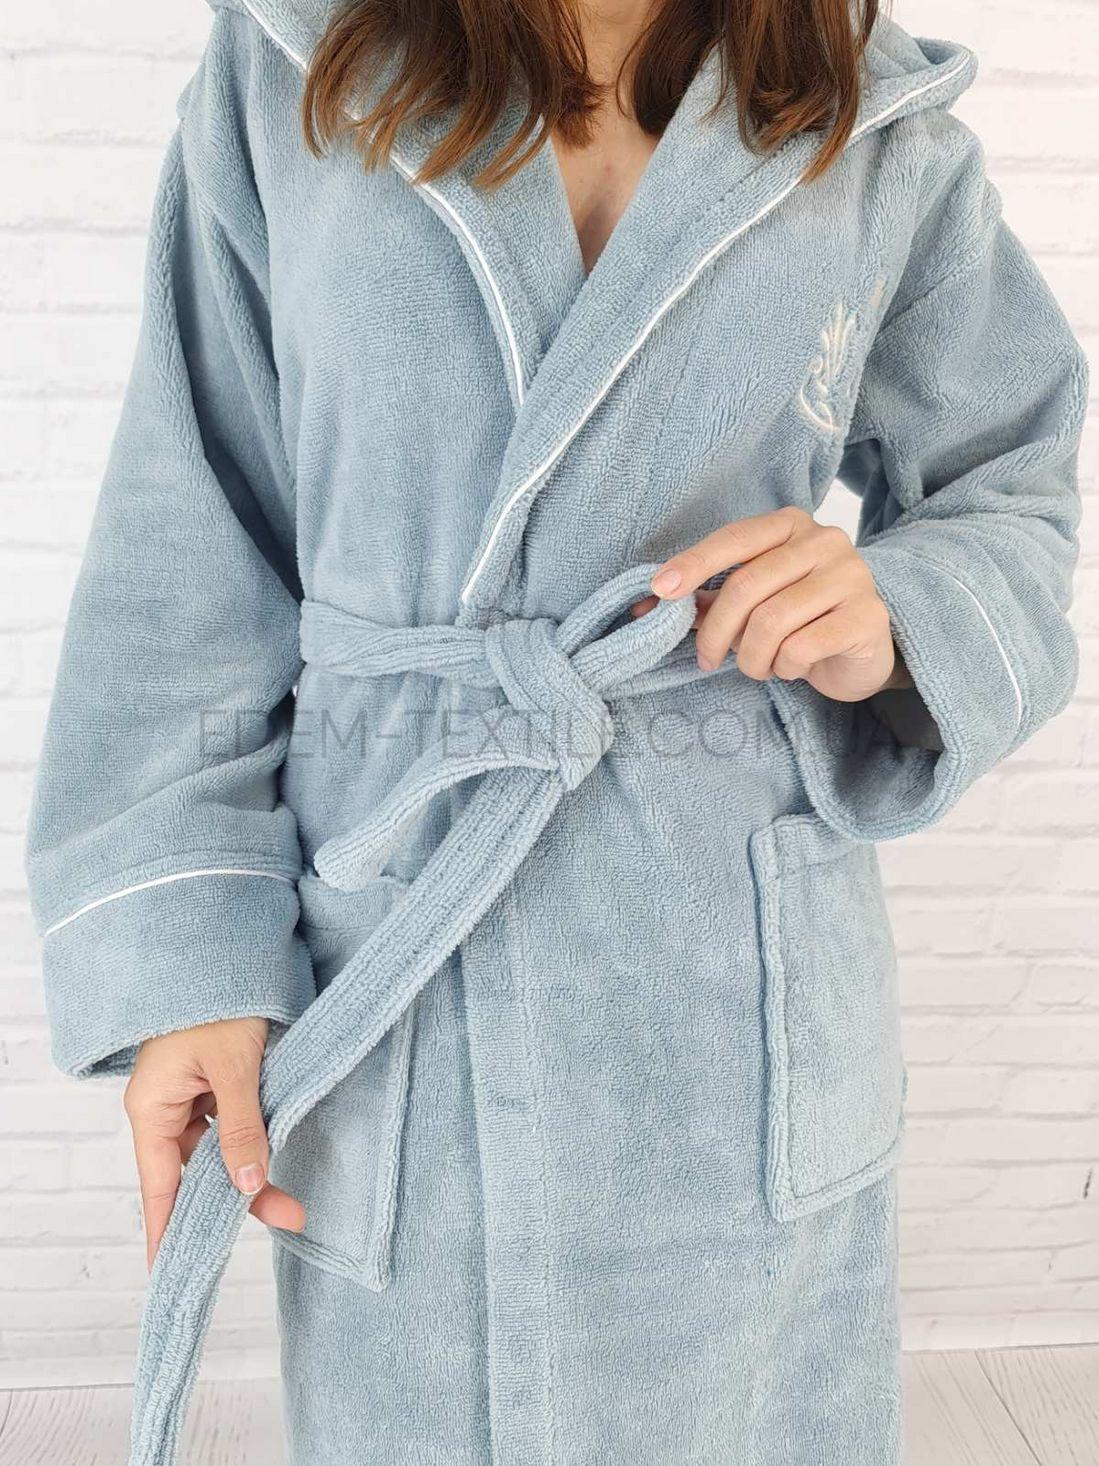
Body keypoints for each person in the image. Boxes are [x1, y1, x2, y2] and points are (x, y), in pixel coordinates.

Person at [26, 0, 1086, 1461]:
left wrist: (893, 610)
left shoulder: (862, 109)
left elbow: (1014, 476)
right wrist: (189, 964)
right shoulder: (296, 62)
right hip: (406, 936)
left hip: (732, 976)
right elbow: (190, 532)